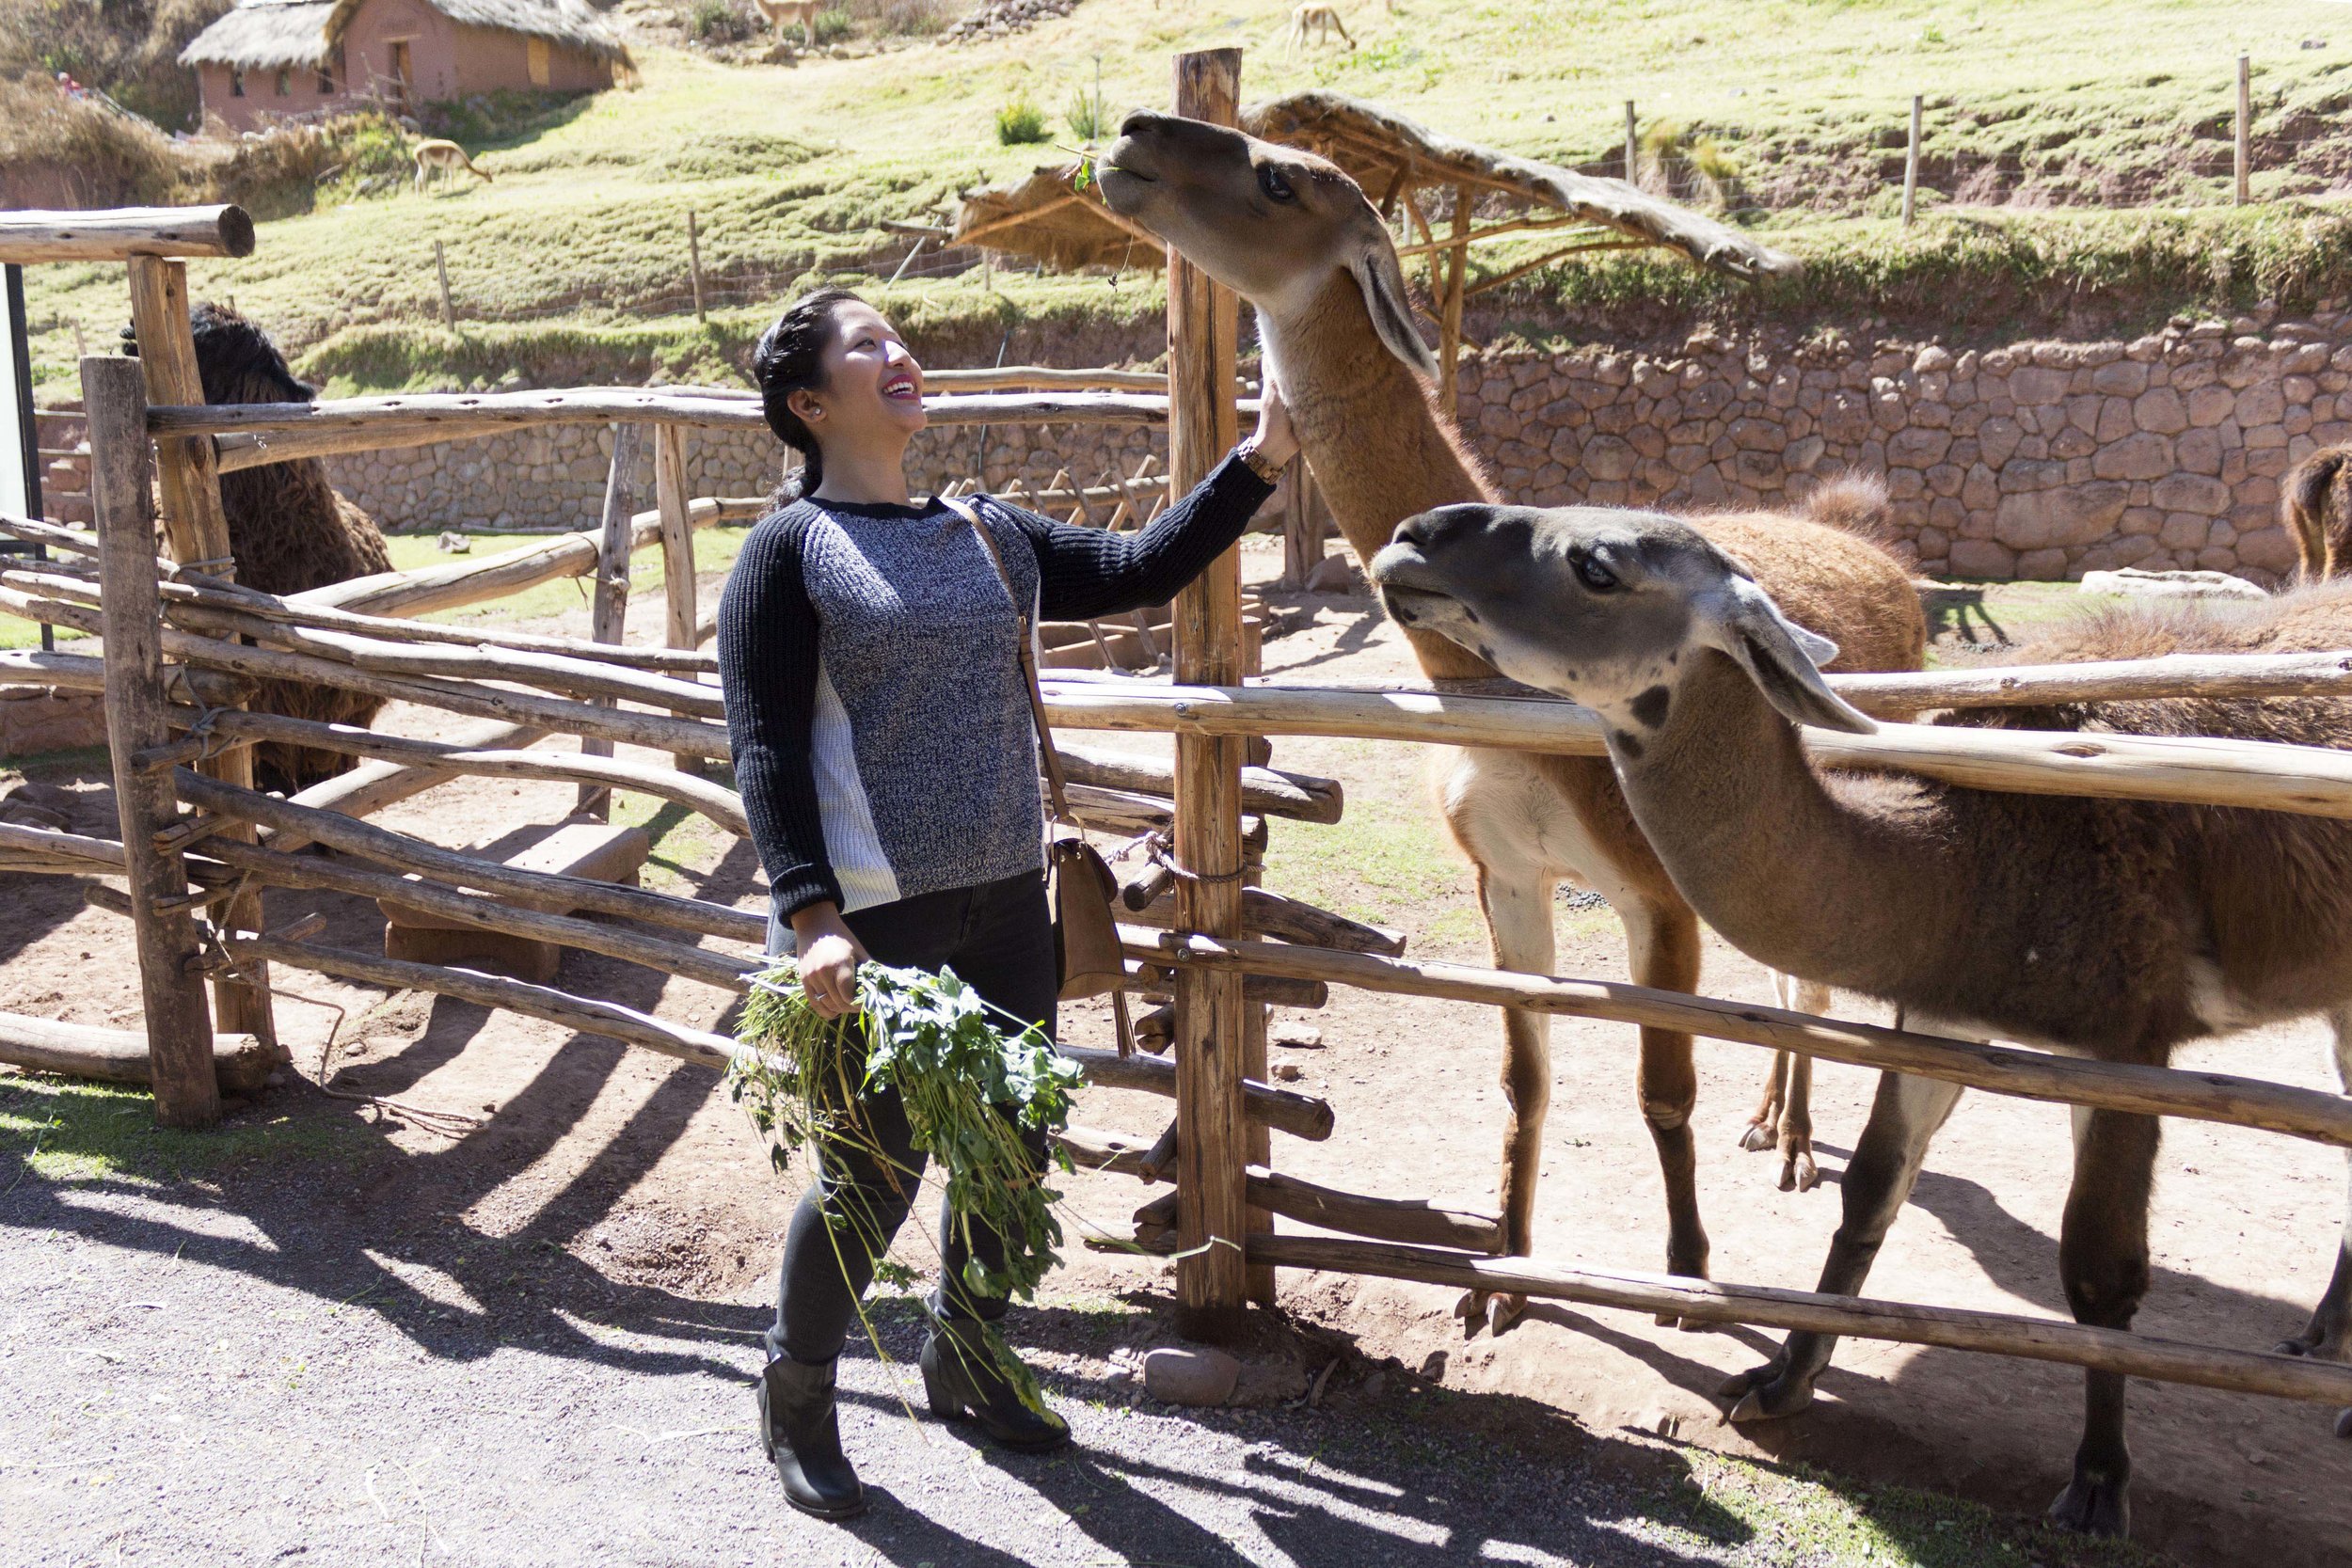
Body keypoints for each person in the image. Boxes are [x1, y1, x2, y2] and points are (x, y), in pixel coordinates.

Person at [718, 288, 1297, 1518]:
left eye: (897, 335)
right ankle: (797, 1393)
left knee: (1011, 1153)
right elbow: (764, 748)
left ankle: (967, 1356)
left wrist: (1263, 460)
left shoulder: (983, 530)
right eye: (865, 345)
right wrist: (812, 915)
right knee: (870, 1175)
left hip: (1005, 901)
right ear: (810, 405)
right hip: (871, 926)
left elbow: (1142, 568)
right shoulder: (789, 553)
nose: (899, 354)